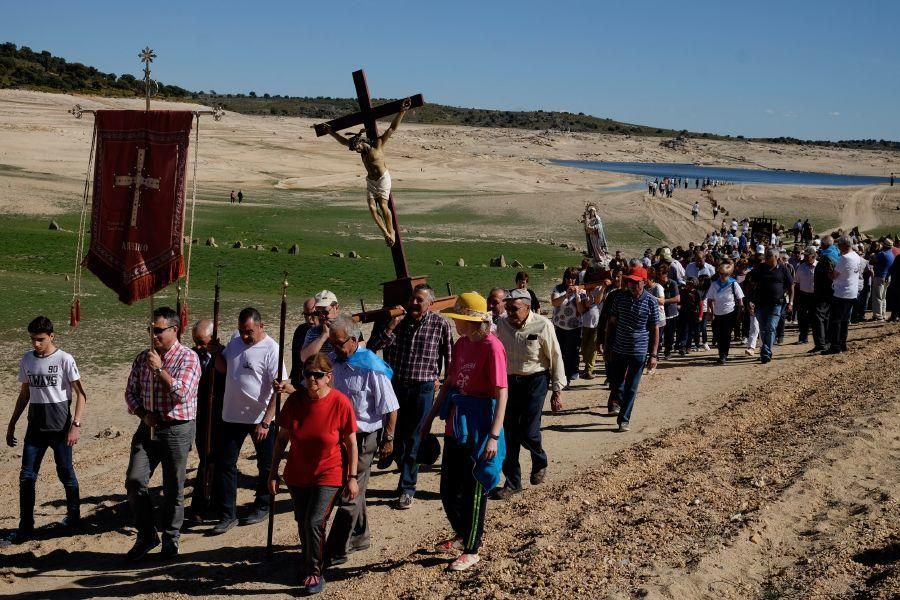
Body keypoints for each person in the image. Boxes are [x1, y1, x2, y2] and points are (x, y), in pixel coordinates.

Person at [419, 292, 507, 572]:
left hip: (481, 422)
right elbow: (449, 384)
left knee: (474, 488)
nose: (456, 322)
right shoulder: (460, 344)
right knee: (448, 488)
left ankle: (472, 547)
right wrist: (429, 418)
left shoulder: (493, 347)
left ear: (472, 320)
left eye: (460, 318)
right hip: (457, 421)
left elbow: (501, 393)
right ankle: (461, 533)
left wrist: (493, 436)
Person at [269, 354, 358, 596]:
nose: (312, 380)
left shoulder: (340, 403)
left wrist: (351, 477)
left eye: (318, 376)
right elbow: (281, 440)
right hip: (298, 473)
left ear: (329, 377)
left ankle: (315, 571)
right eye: (308, 374)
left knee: (314, 521)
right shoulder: (295, 401)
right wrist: (273, 472)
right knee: (302, 521)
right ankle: (308, 558)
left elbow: (351, 442)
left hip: (329, 472)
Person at [320, 315, 398, 566]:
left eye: (340, 344)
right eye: (332, 344)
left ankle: (336, 548)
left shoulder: (371, 367)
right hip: (337, 437)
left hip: (364, 438)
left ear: (353, 341)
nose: (335, 349)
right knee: (355, 488)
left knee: (349, 492)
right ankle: (361, 535)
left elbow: (390, 407)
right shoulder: (332, 363)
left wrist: (388, 439)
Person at [124, 307, 200, 560]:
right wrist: (143, 414)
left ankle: (171, 538)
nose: (153, 335)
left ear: (174, 330)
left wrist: (160, 371)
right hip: (148, 427)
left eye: (158, 330)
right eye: (150, 330)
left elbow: (182, 394)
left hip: (177, 428)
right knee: (135, 481)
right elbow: (130, 393)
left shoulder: (188, 358)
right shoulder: (142, 358)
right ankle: (146, 535)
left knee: (173, 487)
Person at [4, 316, 86, 546]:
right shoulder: (27, 359)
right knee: (26, 477)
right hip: (35, 429)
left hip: (60, 428)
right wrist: (12, 423)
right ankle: (25, 526)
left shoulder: (64, 359)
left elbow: (82, 395)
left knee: (65, 473)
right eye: (32, 339)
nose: (36, 344)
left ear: (51, 336)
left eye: (40, 339)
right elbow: (24, 394)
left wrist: (75, 425)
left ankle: (73, 517)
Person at [369, 283, 452, 510]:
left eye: (420, 300)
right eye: (413, 299)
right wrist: (391, 326)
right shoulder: (398, 322)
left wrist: (448, 387)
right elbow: (372, 347)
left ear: (430, 304)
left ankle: (407, 487)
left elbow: (449, 356)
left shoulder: (440, 324)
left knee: (415, 437)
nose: (414, 303)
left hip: (423, 389)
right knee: (399, 436)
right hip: (396, 386)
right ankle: (400, 465)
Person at [209, 307, 283, 535]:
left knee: (266, 464)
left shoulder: (272, 349)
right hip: (231, 415)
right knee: (225, 464)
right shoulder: (235, 341)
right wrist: (216, 354)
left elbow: (279, 389)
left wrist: (266, 422)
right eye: (242, 331)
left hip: (259, 417)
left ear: (261, 326)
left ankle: (262, 505)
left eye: (249, 331)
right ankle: (227, 513)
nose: (245, 336)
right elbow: (225, 368)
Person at [492, 289, 566, 500]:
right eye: (507, 308)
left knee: (530, 431)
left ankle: (539, 460)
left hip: (535, 381)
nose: (509, 313)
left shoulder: (543, 325)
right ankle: (513, 483)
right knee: (509, 435)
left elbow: (555, 356)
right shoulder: (502, 324)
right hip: (509, 383)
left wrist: (557, 391)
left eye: (514, 309)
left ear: (527, 308)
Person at [322, 98, 411, 246]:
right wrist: (331, 132)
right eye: (355, 149)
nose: (356, 150)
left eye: (357, 147)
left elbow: (391, 129)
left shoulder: (378, 144)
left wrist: (401, 111)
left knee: (383, 206)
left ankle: (392, 232)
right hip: (371, 181)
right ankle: (386, 234)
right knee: (371, 208)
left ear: (362, 142)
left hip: (383, 178)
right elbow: (344, 142)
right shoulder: (360, 152)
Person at [603, 266, 662, 432]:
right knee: (616, 384)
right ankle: (620, 402)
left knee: (632, 387)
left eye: (635, 282)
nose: (631, 285)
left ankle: (624, 419)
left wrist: (653, 355)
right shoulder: (619, 298)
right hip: (619, 349)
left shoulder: (651, 301)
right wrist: (607, 346)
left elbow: (654, 329)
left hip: (639, 352)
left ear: (643, 282)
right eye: (629, 281)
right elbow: (612, 323)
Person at [187, 319, 225, 522]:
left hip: (220, 414)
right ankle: (203, 502)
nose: (199, 346)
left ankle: (211, 502)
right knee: (206, 458)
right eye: (195, 341)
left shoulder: (224, 353)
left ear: (213, 337)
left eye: (202, 342)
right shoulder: (191, 354)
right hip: (200, 415)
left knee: (217, 459)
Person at [747, 249, 794, 364]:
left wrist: (791, 302)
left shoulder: (783, 268)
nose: (766, 259)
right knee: (763, 330)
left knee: (771, 327)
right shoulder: (761, 268)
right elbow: (749, 279)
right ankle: (766, 350)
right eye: (766, 256)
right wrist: (749, 299)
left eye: (769, 257)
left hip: (776, 304)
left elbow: (791, 286)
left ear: (776, 258)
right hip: (760, 304)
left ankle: (765, 352)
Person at [823, 236, 862, 354]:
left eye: (839, 245)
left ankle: (835, 346)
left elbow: (834, 275)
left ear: (844, 245)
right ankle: (843, 343)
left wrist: (828, 273)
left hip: (841, 292)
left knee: (836, 321)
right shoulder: (856, 256)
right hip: (852, 292)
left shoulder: (844, 258)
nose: (838, 247)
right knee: (844, 320)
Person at [550, 267, 586, 384]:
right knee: (560, 351)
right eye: (568, 278)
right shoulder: (558, 289)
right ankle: (560, 374)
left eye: (573, 278)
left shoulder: (582, 290)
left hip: (574, 327)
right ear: (564, 278)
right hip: (559, 326)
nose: (570, 280)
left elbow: (581, 310)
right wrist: (566, 295)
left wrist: (577, 296)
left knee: (572, 352)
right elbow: (554, 303)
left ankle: (569, 374)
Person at [706, 260, 744, 364]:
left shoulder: (733, 284)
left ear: (729, 274)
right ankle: (721, 353)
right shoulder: (714, 284)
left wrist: (740, 313)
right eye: (721, 274)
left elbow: (740, 299)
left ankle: (724, 355)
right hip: (717, 314)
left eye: (725, 274)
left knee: (726, 335)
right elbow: (710, 299)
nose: (723, 276)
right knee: (718, 335)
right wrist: (711, 312)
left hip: (730, 313)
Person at [812, 236, 838, 353]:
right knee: (826, 316)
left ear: (823, 245)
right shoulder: (835, 253)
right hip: (829, 291)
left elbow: (830, 275)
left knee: (818, 315)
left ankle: (821, 343)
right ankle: (825, 342)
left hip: (824, 291)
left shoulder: (827, 257)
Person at [300, 291, 341, 362]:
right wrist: (324, 336)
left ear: (336, 308)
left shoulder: (348, 328)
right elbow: (304, 358)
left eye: (325, 312)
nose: (322, 316)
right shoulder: (312, 331)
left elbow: (358, 354)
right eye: (318, 313)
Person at [289, 298, 317, 387]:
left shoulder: (329, 332)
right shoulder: (301, 330)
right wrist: (294, 382)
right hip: (302, 381)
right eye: (306, 315)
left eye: (313, 314)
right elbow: (296, 362)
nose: (309, 319)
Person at [793, 247, 818, 346]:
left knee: (815, 317)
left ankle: (818, 339)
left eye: (808, 256)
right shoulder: (801, 267)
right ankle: (803, 337)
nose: (806, 257)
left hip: (816, 296)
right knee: (802, 317)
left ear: (813, 256)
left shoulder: (819, 266)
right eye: (805, 256)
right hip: (803, 295)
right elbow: (797, 282)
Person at [657, 264, 680, 359]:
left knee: (669, 334)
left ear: (666, 274)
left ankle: (668, 351)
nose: (659, 275)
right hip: (659, 314)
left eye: (661, 273)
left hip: (671, 313)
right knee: (657, 335)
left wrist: (663, 301)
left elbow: (677, 298)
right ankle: (656, 352)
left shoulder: (672, 283)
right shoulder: (656, 285)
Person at [871, 241, 894, 321]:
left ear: (884, 245)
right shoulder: (891, 254)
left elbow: (873, 260)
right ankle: (883, 314)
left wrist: (873, 255)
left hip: (880, 276)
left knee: (877, 297)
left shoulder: (882, 254)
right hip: (887, 277)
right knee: (883, 297)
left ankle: (878, 316)